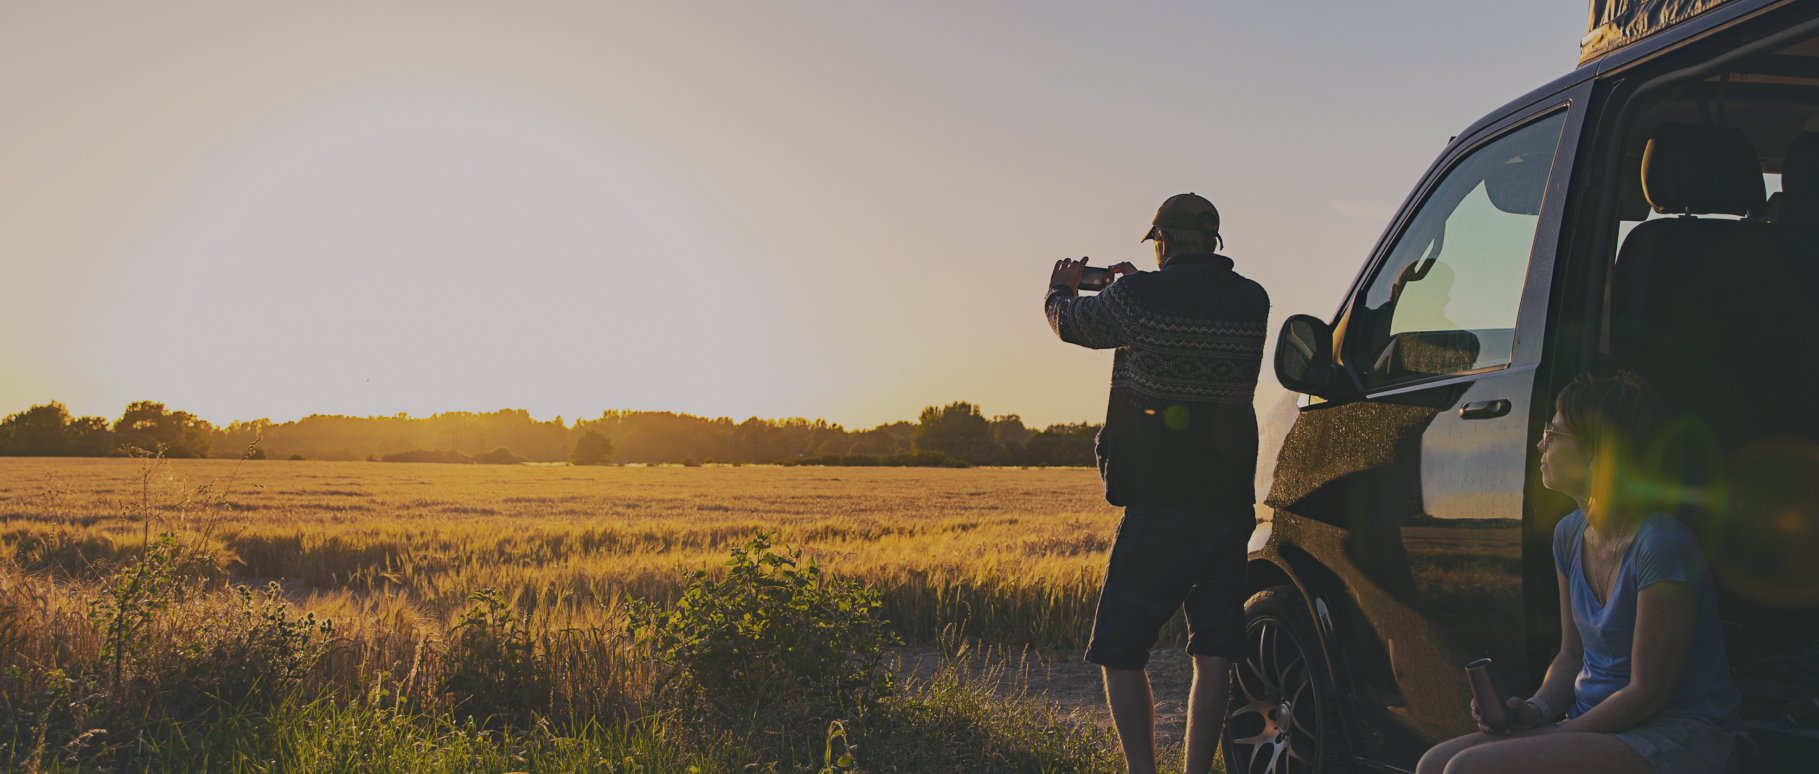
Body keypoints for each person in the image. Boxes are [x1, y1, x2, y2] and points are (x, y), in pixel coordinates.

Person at [1416, 370, 1743, 774]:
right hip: (1593, 725)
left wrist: (1559, 737)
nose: (1540, 444)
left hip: (1672, 731)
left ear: (1596, 454)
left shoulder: (1662, 545)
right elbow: (1572, 654)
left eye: (1553, 434)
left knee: (1468, 769)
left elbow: (1648, 693)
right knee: (1434, 764)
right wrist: (1535, 711)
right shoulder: (1569, 534)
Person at [1045, 192, 1270, 774]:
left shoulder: (1139, 297)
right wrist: (1136, 287)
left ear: (1161, 242)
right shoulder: (1252, 300)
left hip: (1160, 504)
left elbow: (1072, 326)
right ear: (1214, 241)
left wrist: (1061, 288)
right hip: (1227, 502)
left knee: (1121, 648)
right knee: (1216, 649)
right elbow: (1186, 317)